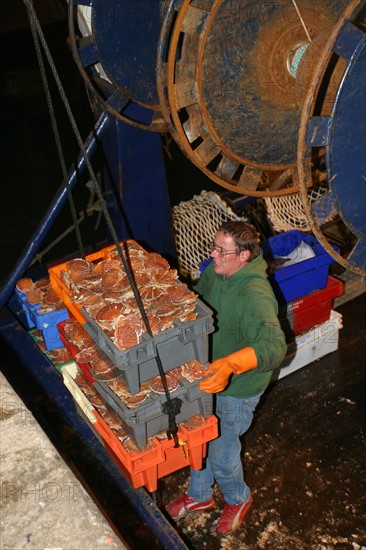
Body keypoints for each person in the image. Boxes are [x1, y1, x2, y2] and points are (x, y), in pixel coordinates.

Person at [165, 221, 287, 536]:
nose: (212, 254)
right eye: (215, 246)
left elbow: (274, 348)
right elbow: (198, 302)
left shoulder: (255, 294)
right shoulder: (216, 272)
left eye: (222, 250)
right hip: (207, 373)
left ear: (244, 256)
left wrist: (231, 365)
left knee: (221, 450)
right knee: (197, 438)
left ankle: (237, 498)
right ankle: (200, 495)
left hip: (239, 388)